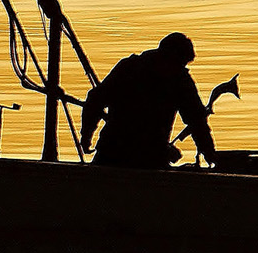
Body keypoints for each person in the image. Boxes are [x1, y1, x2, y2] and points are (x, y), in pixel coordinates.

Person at [81, 32, 216, 169]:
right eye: (180, 63)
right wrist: (86, 135)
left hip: (142, 155)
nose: (181, 68)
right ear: (167, 57)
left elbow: (197, 122)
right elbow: (96, 100)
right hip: (121, 153)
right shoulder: (131, 70)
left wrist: (209, 154)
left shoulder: (178, 79)